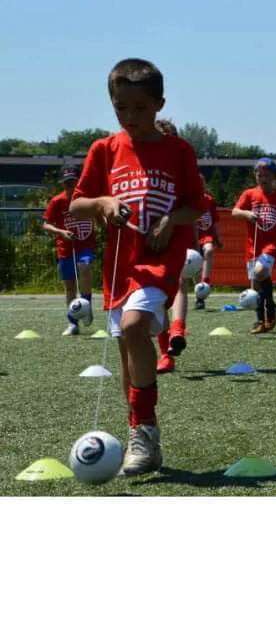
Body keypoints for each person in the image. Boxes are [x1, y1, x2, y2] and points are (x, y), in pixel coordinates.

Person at [70, 58, 204, 476]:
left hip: (159, 263)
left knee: (132, 328)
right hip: (119, 266)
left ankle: (143, 430)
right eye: (120, 108)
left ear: (159, 104)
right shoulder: (104, 150)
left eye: (140, 109)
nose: (130, 117)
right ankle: (142, 432)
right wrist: (104, 204)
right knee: (129, 352)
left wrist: (171, 221)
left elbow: (198, 204)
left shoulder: (177, 150)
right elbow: (78, 204)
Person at [231, 158, 276, 333]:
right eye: (259, 174)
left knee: (259, 272)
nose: (262, 178)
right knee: (256, 285)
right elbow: (234, 211)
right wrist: (246, 213)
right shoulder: (249, 194)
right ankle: (261, 321)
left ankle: (270, 307)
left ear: (274, 177)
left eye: (266, 175)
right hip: (252, 246)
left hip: (272, 245)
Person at [151, 117, 193, 374]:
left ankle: (176, 331)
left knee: (178, 281)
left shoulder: (181, 164)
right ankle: (167, 350)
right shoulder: (141, 166)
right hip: (148, 234)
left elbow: (195, 206)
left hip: (176, 232)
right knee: (157, 293)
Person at [42, 164, 97, 336]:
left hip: (85, 245)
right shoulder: (57, 202)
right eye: (67, 183)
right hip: (65, 248)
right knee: (70, 287)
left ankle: (86, 307)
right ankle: (73, 323)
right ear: (62, 184)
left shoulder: (88, 199)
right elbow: (46, 224)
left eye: (74, 182)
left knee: (85, 267)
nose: (71, 186)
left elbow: (101, 213)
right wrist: (60, 232)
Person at [194, 173, 223, 310]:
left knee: (209, 250)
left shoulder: (209, 200)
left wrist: (218, 237)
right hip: (193, 237)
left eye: (201, 183)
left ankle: (205, 282)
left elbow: (215, 221)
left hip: (206, 236)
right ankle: (199, 297)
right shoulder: (189, 201)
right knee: (195, 266)